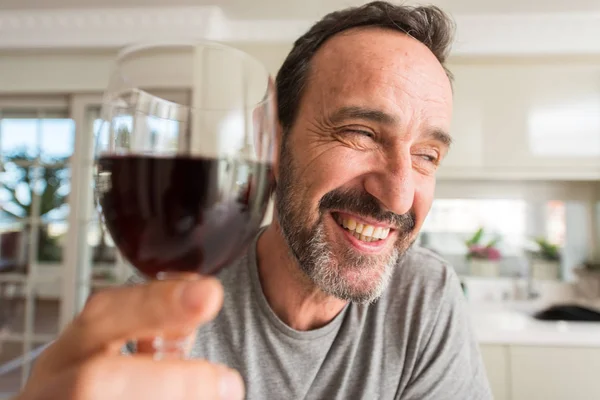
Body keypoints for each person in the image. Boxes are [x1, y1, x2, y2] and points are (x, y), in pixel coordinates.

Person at [16, 2, 492, 399]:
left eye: (427, 155)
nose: (399, 193)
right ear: (274, 145)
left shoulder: (424, 297)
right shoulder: (172, 301)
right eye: (361, 133)